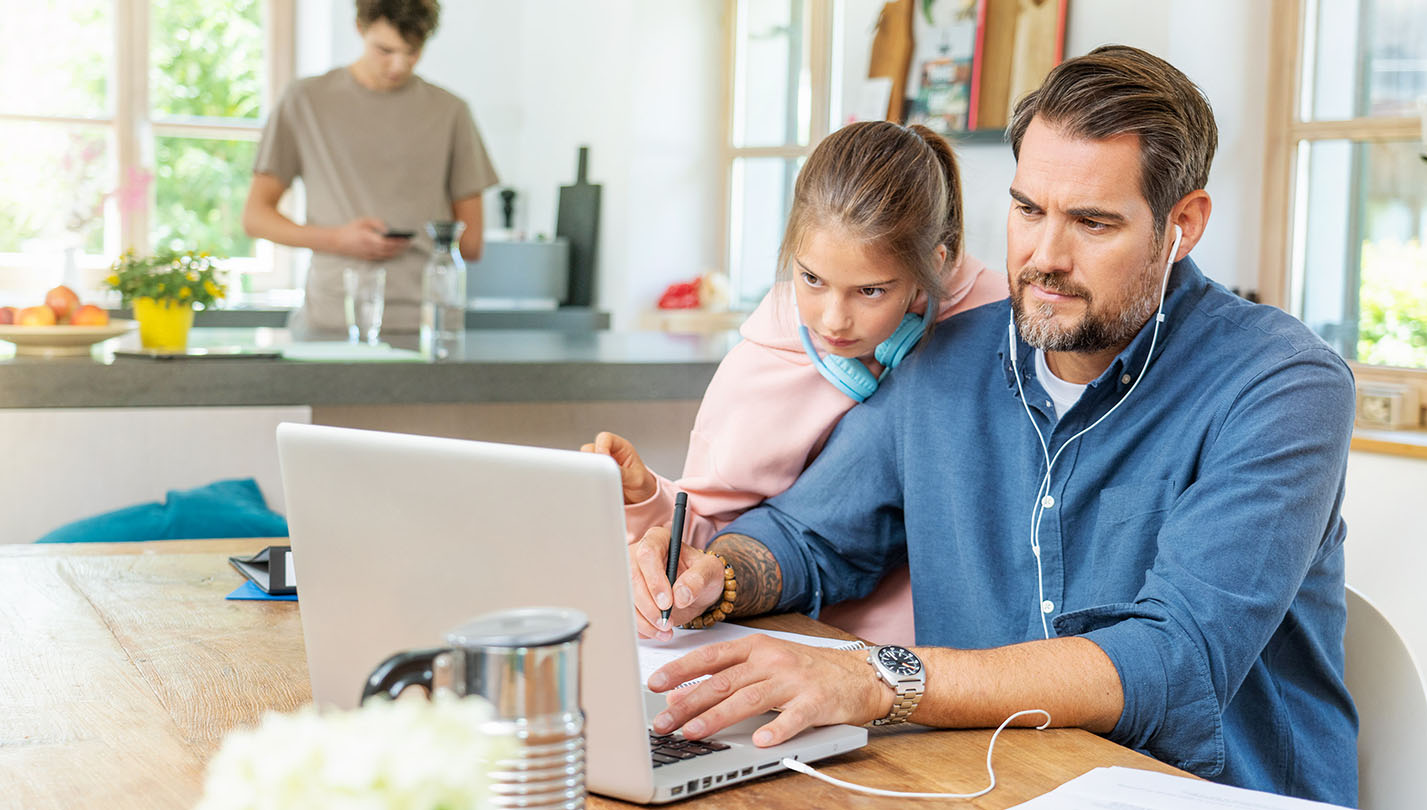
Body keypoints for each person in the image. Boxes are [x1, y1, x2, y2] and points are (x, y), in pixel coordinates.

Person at [628, 46, 1357, 806]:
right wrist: (719, 574)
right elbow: (810, 538)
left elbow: (1174, 659)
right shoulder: (944, 361)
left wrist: (882, 678)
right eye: (1028, 209)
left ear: (1184, 224)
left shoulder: (1281, 385)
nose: (1045, 257)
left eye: (1093, 223)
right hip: (986, 787)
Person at [584, 120, 1007, 646]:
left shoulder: (1000, 327)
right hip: (797, 644)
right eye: (811, 279)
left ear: (933, 269)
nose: (832, 320)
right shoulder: (762, 360)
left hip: (960, 665)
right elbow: (707, 542)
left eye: (870, 291)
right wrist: (646, 498)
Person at [243, 0, 498, 336]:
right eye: (385, 50)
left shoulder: (451, 112)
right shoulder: (305, 100)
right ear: (360, 28)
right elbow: (256, 217)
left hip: (427, 330)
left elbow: (471, 243)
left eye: (412, 52)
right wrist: (337, 239)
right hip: (330, 326)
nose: (398, 65)